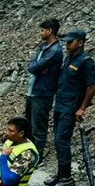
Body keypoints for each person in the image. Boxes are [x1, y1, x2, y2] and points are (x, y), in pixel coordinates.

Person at [46, 30, 95, 186]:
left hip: (70, 107)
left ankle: (66, 178)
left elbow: (91, 86)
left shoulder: (86, 61)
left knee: (62, 140)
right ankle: (60, 174)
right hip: (60, 105)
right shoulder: (69, 57)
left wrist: (82, 108)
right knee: (57, 140)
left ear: (80, 43)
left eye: (70, 42)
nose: (67, 45)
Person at [25, 19, 63, 157]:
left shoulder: (54, 51)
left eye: (42, 30)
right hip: (34, 91)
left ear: (49, 31)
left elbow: (35, 67)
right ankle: (29, 152)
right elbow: (32, 65)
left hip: (43, 92)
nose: (40, 33)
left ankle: (37, 156)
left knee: (39, 127)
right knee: (29, 124)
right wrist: (37, 68)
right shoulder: (44, 47)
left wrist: (37, 68)